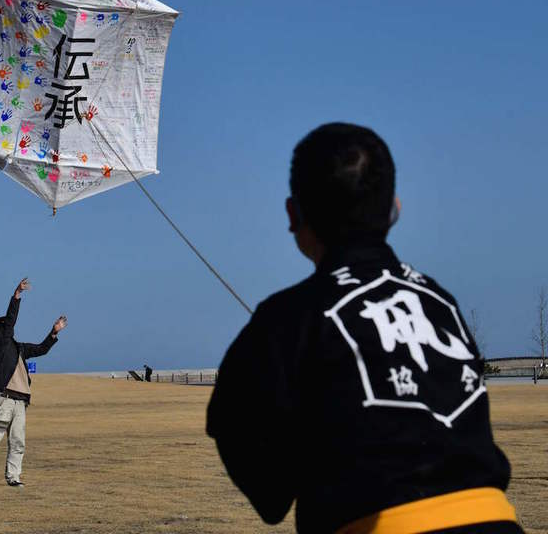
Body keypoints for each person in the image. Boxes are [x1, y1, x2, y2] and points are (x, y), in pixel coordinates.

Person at [206, 123, 522, 533]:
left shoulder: (287, 317)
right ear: (395, 208)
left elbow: (247, 450)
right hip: (497, 521)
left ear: (293, 214)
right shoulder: (439, 302)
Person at [0, 277, 67, 487]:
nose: (9, 327)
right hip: (2, 400)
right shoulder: (0, 346)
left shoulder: (18, 349)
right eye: (5, 326)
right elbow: (10, 321)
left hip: (20, 402)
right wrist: (17, 295)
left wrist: (54, 332)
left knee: (18, 442)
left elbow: (41, 349)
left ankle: (13, 477)